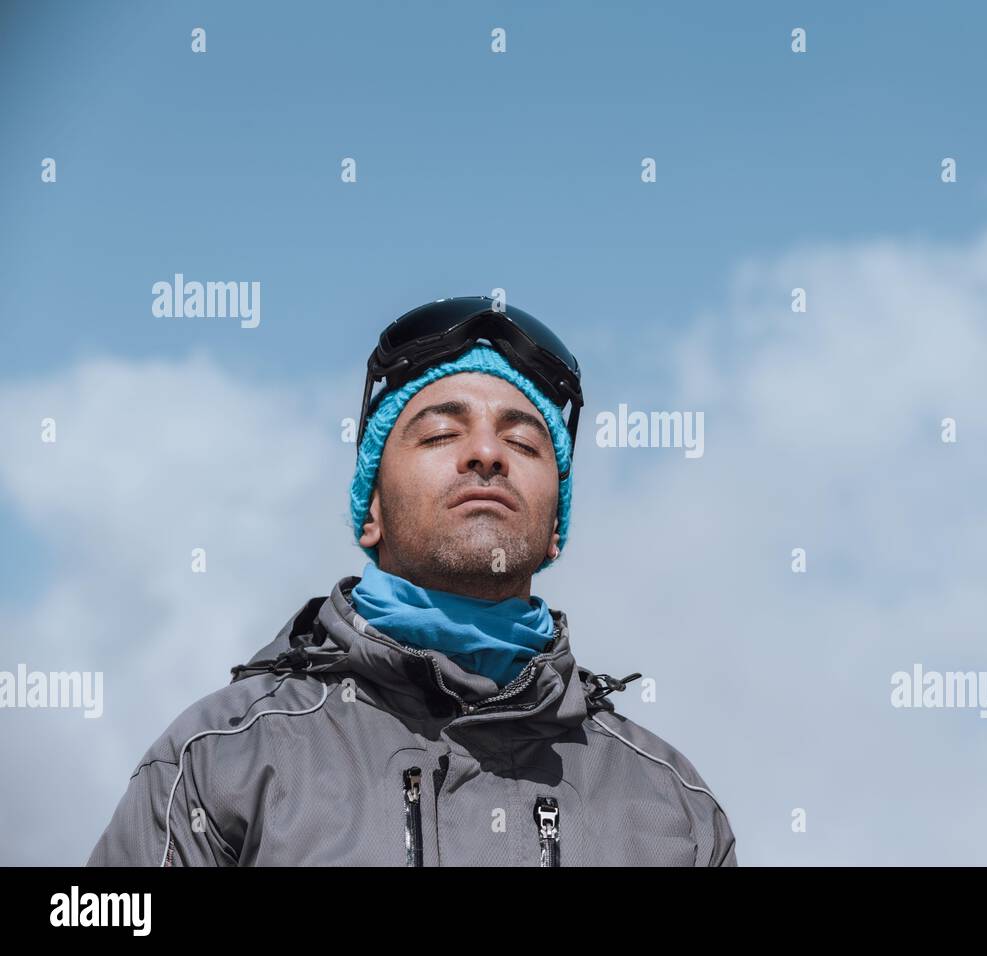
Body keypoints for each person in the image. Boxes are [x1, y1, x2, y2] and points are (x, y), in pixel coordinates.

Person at [85, 296, 737, 866]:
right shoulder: (223, 758)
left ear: (556, 528)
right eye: (441, 434)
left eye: (526, 444)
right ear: (370, 509)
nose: (486, 453)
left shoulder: (673, 808)